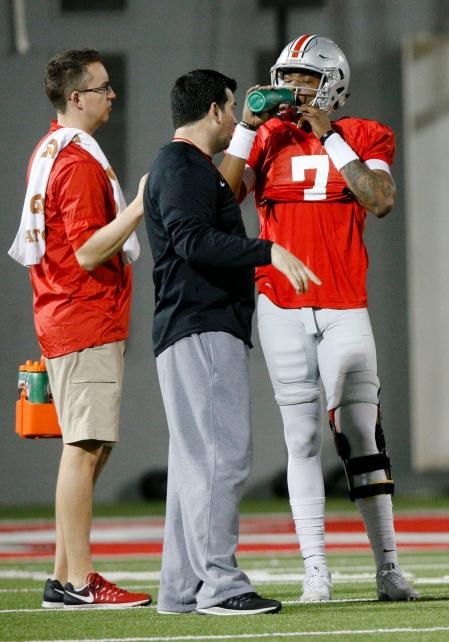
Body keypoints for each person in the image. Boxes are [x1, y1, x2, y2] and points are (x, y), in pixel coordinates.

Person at [218, 35, 418, 602]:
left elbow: (378, 198)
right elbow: (223, 197)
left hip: (344, 301)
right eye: (288, 76)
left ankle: (388, 566)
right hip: (280, 303)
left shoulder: (364, 133)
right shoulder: (266, 138)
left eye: (305, 77)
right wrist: (248, 129)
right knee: (301, 437)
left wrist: (329, 134)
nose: (294, 87)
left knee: (360, 434)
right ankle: (316, 569)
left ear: (332, 80)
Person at [145, 69, 319, 615]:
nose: (235, 115)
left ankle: (180, 589)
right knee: (222, 458)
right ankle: (220, 585)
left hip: (189, 326)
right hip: (201, 324)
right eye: (231, 107)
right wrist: (267, 251)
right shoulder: (180, 165)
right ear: (215, 111)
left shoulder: (183, 165)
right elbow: (193, 240)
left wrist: (247, 125)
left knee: (195, 464)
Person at [9, 48, 150, 609]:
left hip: (67, 313)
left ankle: (63, 574)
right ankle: (77, 582)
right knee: (84, 447)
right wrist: (140, 205)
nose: (111, 95)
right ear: (76, 97)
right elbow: (90, 251)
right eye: (102, 87)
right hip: (83, 313)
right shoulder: (78, 162)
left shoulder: (51, 150)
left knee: (88, 447)